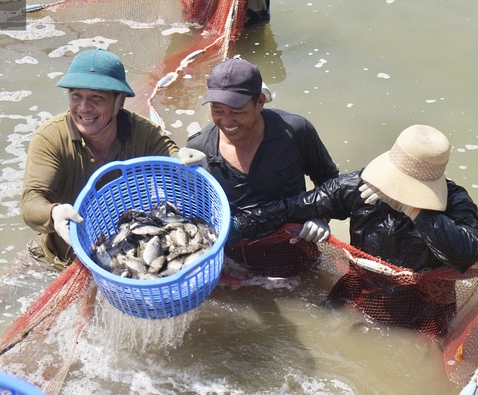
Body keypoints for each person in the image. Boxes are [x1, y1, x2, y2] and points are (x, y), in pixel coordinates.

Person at [286, 124, 478, 335]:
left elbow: (466, 255)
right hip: (359, 292)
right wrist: (320, 217)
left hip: (422, 312)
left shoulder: (455, 201)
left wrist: (415, 211)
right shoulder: (361, 185)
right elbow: (293, 207)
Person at [20, 49, 179, 270]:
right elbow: (30, 202)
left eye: (97, 98)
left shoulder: (143, 133)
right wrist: (54, 213)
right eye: (76, 96)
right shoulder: (50, 138)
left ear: (120, 101)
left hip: (124, 254)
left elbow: (175, 164)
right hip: (58, 258)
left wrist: (190, 162)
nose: (84, 108)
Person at [179, 58, 339, 245]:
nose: (227, 121)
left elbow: (329, 180)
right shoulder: (198, 149)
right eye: (217, 110)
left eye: (238, 112)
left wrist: (322, 216)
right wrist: (188, 178)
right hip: (235, 254)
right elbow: (195, 214)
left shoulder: (296, 131)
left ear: (260, 102)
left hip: (296, 244)